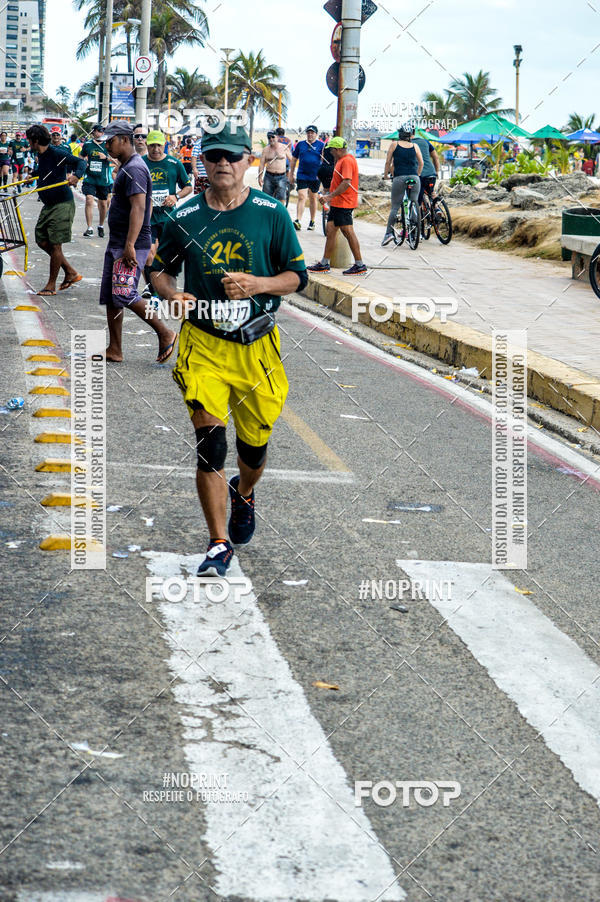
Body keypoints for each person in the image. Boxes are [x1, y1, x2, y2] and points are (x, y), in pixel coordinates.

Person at [150, 122, 308, 578]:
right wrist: (170, 293)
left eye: (232, 156)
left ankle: (245, 490)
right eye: (214, 155)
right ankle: (219, 543)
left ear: (248, 162)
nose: (223, 163)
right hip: (203, 343)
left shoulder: (271, 213)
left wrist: (260, 283)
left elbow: (298, 276)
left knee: (253, 450)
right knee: (211, 444)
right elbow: (158, 269)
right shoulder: (184, 215)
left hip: (257, 344)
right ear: (203, 160)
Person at [99, 120, 177, 364]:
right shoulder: (127, 166)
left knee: (124, 292)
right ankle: (115, 349)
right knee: (113, 296)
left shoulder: (134, 168)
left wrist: (131, 244)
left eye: (110, 142)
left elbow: (140, 206)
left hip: (129, 243)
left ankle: (165, 332)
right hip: (120, 241)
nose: (107, 147)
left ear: (123, 139)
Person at [25, 124, 86, 296]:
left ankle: (50, 286)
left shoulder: (56, 153)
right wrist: (33, 175)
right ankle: (70, 272)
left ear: (35, 140)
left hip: (62, 204)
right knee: (41, 240)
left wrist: (76, 176)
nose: (28, 142)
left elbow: (80, 162)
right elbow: (46, 171)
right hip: (49, 204)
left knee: (55, 244)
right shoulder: (41, 154)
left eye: (29, 140)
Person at [306, 137, 366, 276]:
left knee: (348, 232)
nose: (331, 152)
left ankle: (360, 265)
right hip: (338, 202)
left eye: (332, 150)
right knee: (331, 230)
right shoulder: (341, 160)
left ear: (338, 149)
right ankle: (324, 263)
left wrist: (329, 196)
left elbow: (346, 182)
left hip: (344, 202)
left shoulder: (347, 161)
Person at [142, 129, 192, 283]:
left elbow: (188, 187)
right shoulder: (140, 162)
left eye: (159, 145)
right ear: (146, 145)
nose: (155, 149)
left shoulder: (174, 163)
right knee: (148, 253)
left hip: (167, 216)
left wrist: (175, 196)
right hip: (147, 216)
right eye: (152, 146)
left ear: (164, 145)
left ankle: (163, 285)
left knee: (165, 256)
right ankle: (151, 288)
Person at [381, 123, 423, 247]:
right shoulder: (415, 146)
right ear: (410, 135)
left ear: (400, 134)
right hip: (414, 177)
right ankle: (416, 233)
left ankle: (389, 234)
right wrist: (418, 175)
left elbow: (388, 161)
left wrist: (385, 175)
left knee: (395, 206)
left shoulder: (394, 144)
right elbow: (421, 163)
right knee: (414, 202)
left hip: (399, 177)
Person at [80, 124, 114, 239]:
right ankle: (89, 228)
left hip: (103, 179)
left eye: (101, 131)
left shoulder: (108, 144)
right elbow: (81, 156)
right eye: (97, 131)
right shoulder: (88, 144)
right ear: (93, 132)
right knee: (89, 199)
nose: (99, 133)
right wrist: (84, 162)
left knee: (103, 204)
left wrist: (106, 157)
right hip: (90, 178)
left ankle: (100, 225)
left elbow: (116, 160)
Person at [289, 125, 324, 231]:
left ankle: (312, 221)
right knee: (301, 196)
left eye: (312, 133)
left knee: (313, 198)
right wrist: (291, 173)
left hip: (315, 176)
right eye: (308, 132)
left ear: (316, 134)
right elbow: (294, 159)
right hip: (302, 174)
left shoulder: (321, 145)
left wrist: (322, 175)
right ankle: (298, 220)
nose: (310, 134)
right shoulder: (300, 145)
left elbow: (323, 161)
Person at [258, 131, 291, 201]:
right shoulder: (265, 150)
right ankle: (267, 212)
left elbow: (292, 160)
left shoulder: (284, 148)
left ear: (277, 137)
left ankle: (279, 212)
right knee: (266, 198)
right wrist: (260, 177)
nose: (271, 139)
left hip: (281, 177)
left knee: (281, 198)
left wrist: (292, 173)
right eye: (269, 137)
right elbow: (261, 164)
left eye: (273, 137)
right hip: (268, 177)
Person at [412, 132, 440, 204]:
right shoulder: (426, 142)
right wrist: (436, 171)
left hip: (419, 175)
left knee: (418, 199)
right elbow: (436, 157)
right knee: (431, 193)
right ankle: (436, 208)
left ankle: (420, 213)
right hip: (431, 173)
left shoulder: (408, 144)